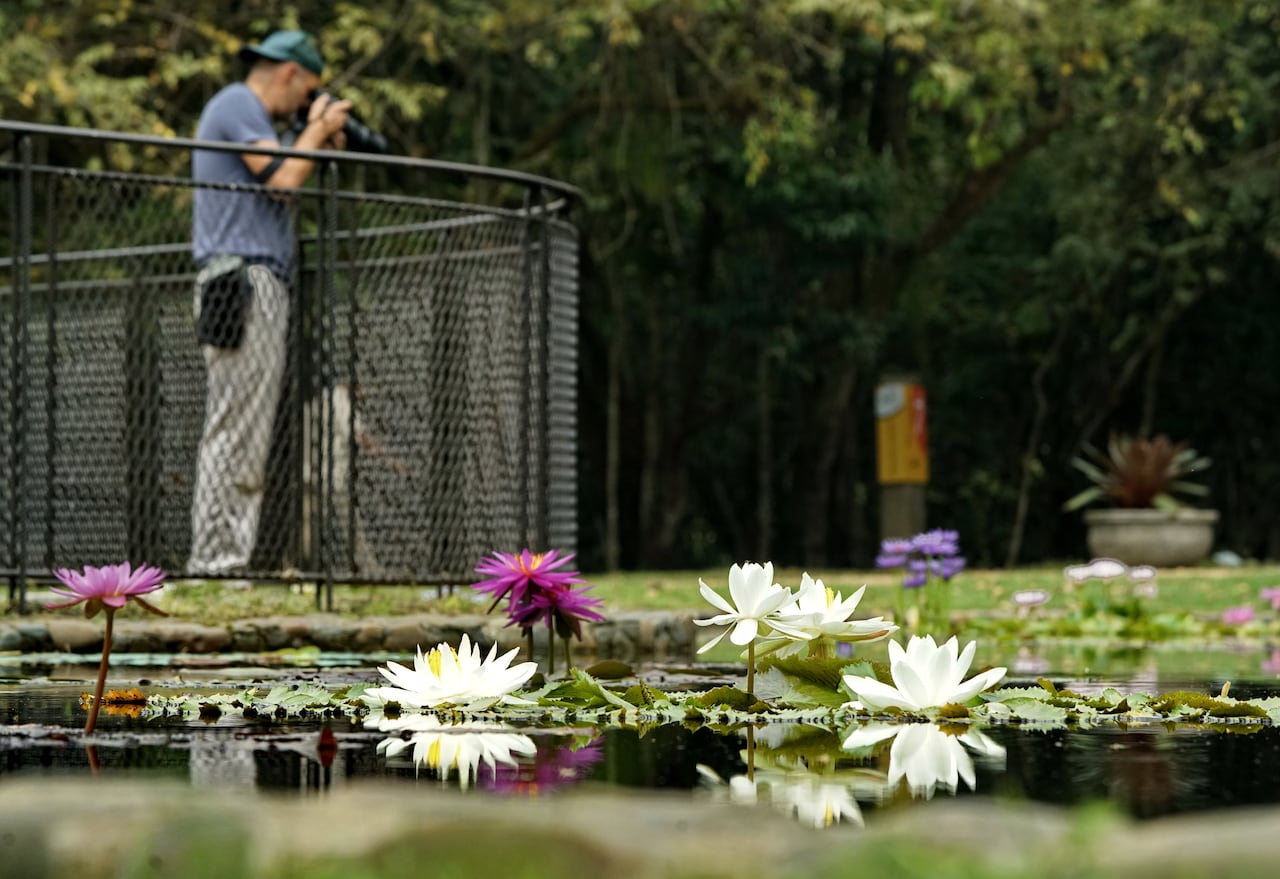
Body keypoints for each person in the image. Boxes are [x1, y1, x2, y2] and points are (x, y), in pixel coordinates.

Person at [187, 30, 351, 577]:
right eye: (307, 91)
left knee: (245, 430)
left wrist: (316, 139)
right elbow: (282, 181)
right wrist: (315, 130)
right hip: (240, 284)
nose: (304, 105)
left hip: (250, 284)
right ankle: (215, 565)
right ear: (289, 73)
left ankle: (223, 563)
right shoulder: (237, 104)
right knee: (235, 429)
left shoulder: (256, 121)